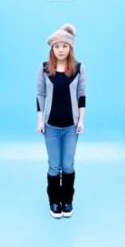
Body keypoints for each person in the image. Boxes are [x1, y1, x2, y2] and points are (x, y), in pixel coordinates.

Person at [36, 23, 86, 219]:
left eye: (64, 46)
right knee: (54, 165)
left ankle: (67, 201)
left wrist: (81, 120)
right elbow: (40, 94)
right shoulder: (44, 68)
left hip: (71, 127)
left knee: (68, 165)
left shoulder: (79, 69)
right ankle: (54, 201)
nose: (61, 50)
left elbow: (82, 96)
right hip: (51, 126)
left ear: (70, 48)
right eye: (57, 46)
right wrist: (40, 121)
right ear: (52, 49)